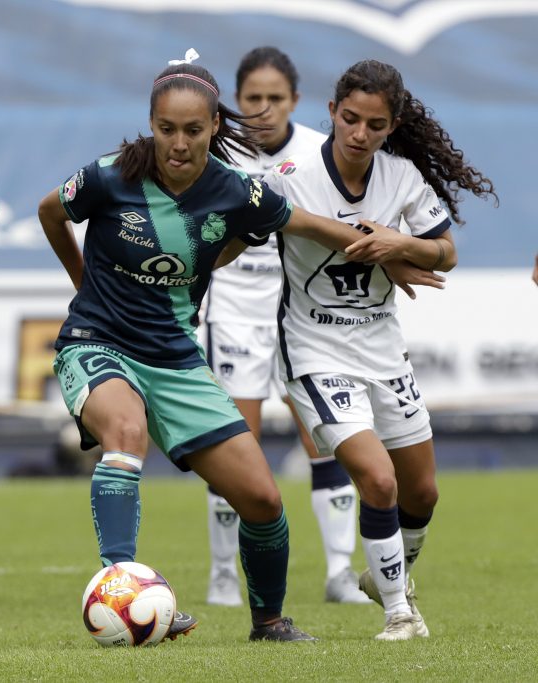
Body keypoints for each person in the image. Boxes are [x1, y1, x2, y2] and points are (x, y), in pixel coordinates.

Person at [37, 52, 442, 643]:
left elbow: (308, 224)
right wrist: (84, 285)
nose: (178, 143)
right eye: (166, 129)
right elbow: (51, 212)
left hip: (175, 358)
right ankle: (122, 588)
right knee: (126, 435)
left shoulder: (235, 192)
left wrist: (388, 249)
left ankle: (269, 622)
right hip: (96, 344)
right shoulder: (108, 175)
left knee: (261, 498)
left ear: (214, 130)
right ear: (151, 124)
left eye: (193, 131)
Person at [263, 59, 498, 640]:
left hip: (383, 347)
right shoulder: (290, 174)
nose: (359, 134)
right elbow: (239, 228)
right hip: (314, 346)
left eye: (374, 124)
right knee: (379, 481)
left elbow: (446, 255)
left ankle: (381, 575)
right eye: (349, 119)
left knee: (422, 491)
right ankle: (399, 611)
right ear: (331, 111)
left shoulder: (402, 178)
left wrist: (403, 243)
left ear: (391, 127)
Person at [202, 47, 367, 606]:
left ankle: (340, 571)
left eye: (276, 98)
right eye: (253, 98)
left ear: (295, 101)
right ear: (237, 100)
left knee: (327, 441)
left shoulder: (317, 156)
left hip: (303, 316)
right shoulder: (215, 153)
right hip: (236, 316)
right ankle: (225, 573)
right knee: (233, 449)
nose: (265, 109)